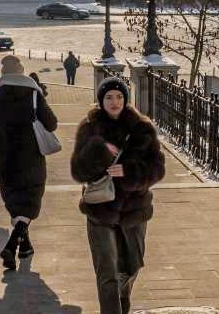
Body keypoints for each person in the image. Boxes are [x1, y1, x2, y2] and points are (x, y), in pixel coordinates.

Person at [71, 78, 166, 314]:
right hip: (100, 211)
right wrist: (99, 151)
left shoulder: (142, 128)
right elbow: (77, 171)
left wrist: (130, 172)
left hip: (134, 213)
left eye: (119, 97)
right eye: (109, 97)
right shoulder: (90, 127)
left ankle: (124, 304)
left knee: (130, 269)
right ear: (101, 100)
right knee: (107, 274)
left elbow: (157, 169)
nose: (115, 102)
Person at [0, 56, 58, 270]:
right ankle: (13, 243)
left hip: (7, 161)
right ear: (22, 72)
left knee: (15, 203)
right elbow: (52, 123)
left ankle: (24, 247)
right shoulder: (33, 94)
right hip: (32, 159)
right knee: (30, 202)